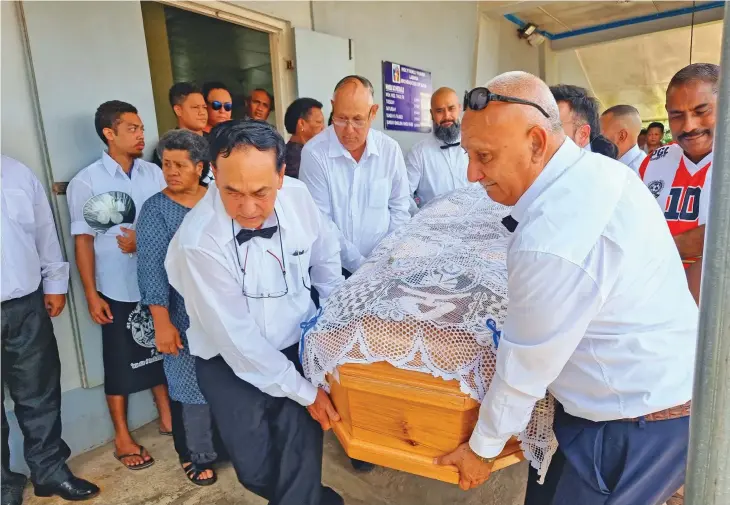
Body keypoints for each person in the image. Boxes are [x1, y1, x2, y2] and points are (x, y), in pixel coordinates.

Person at [436, 72, 697, 505]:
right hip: (641, 402)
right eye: (467, 154)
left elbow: (524, 369)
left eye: (484, 156)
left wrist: (482, 449)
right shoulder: (597, 170)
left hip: (633, 424)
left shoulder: (553, 237)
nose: (471, 173)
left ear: (537, 142)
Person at [165, 120, 344, 505]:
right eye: (232, 192)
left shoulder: (297, 197)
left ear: (281, 174)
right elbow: (238, 341)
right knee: (256, 470)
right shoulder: (199, 241)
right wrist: (307, 395)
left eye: (261, 192)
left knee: (300, 461)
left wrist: (332, 321)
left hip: (296, 347)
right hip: (227, 363)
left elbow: (326, 253)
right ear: (213, 172)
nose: (248, 208)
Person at [67, 101, 170, 471]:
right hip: (115, 285)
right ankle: (122, 434)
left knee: (162, 346)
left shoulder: (154, 174)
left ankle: (166, 413)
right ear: (109, 134)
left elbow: (166, 222)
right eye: (132, 128)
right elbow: (82, 242)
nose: (141, 134)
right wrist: (91, 294)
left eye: (142, 127)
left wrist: (142, 242)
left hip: (155, 279)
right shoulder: (87, 181)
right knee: (120, 359)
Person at [1, 157, 100, 504]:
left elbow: (44, 230)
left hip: (25, 304)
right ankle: (2, 483)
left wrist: (55, 282)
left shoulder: (16, 173)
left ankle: (49, 472)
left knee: (39, 392)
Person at [136, 130, 217, 486]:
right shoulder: (156, 208)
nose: (170, 171)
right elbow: (150, 267)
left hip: (218, 310)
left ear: (200, 167)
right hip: (178, 313)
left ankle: (224, 446)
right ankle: (195, 454)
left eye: (179, 164)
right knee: (188, 385)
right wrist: (161, 322)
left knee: (223, 380)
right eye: (166, 164)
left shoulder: (216, 199)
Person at [300, 75, 411, 278]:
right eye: (341, 119)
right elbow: (320, 221)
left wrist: (384, 257)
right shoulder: (314, 153)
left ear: (373, 112)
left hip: (384, 264)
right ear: (332, 107)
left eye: (358, 120)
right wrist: (361, 265)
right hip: (333, 267)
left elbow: (400, 208)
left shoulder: (390, 150)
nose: (349, 130)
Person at [639, 63, 719, 304]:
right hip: (654, 302)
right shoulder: (654, 161)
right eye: (676, 115)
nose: (688, 126)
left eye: (701, 111)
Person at [406, 87, 471, 213]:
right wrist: (421, 220)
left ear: (459, 108)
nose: (446, 116)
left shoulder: (476, 145)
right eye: (439, 111)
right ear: (431, 114)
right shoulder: (418, 153)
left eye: (451, 108)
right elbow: (404, 194)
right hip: (433, 228)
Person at [153, 83, 209, 167]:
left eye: (204, 107)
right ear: (178, 110)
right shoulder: (167, 148)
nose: (202, 112)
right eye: (195, 107)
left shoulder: (217, 141)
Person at [283, 98, 325, 178]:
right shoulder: (299, 158)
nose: (323, 128)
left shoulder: (284, 152)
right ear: (301, 123)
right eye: (318, 122)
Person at [600, 104, 647, 173]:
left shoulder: (643, 172)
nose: (596, 139)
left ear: (621, 136)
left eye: (601, 135)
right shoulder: (608, 162)